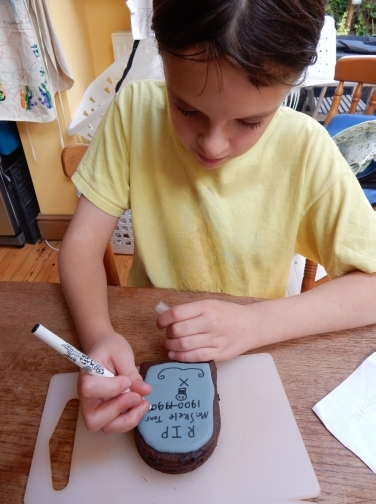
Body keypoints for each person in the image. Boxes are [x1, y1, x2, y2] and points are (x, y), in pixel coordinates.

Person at [59, 0, 376, 435]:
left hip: (253, 360)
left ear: (289, 89)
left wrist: (255, 323)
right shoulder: (133, 112)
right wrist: (98, 335)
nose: (212, 145)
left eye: (249, 122)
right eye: (187, 110)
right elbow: (80, 244)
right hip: (149, 347)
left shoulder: (304, 150)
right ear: (164, 61)